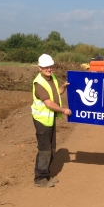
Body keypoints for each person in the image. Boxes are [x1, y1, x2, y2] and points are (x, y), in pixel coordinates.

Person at [31, 54, 72, 188]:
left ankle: (47, 175)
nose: (49, 69)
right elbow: (48, 103)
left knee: (52, 148)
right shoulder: (39, 83)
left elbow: (55, 93)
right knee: (44, 150)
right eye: (45, 67)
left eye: (50, 66)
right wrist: (63, 110)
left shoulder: (51, 78)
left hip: (49, 119)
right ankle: (40, 179)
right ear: (39, 68)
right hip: (42, 121)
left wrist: (64, 87)